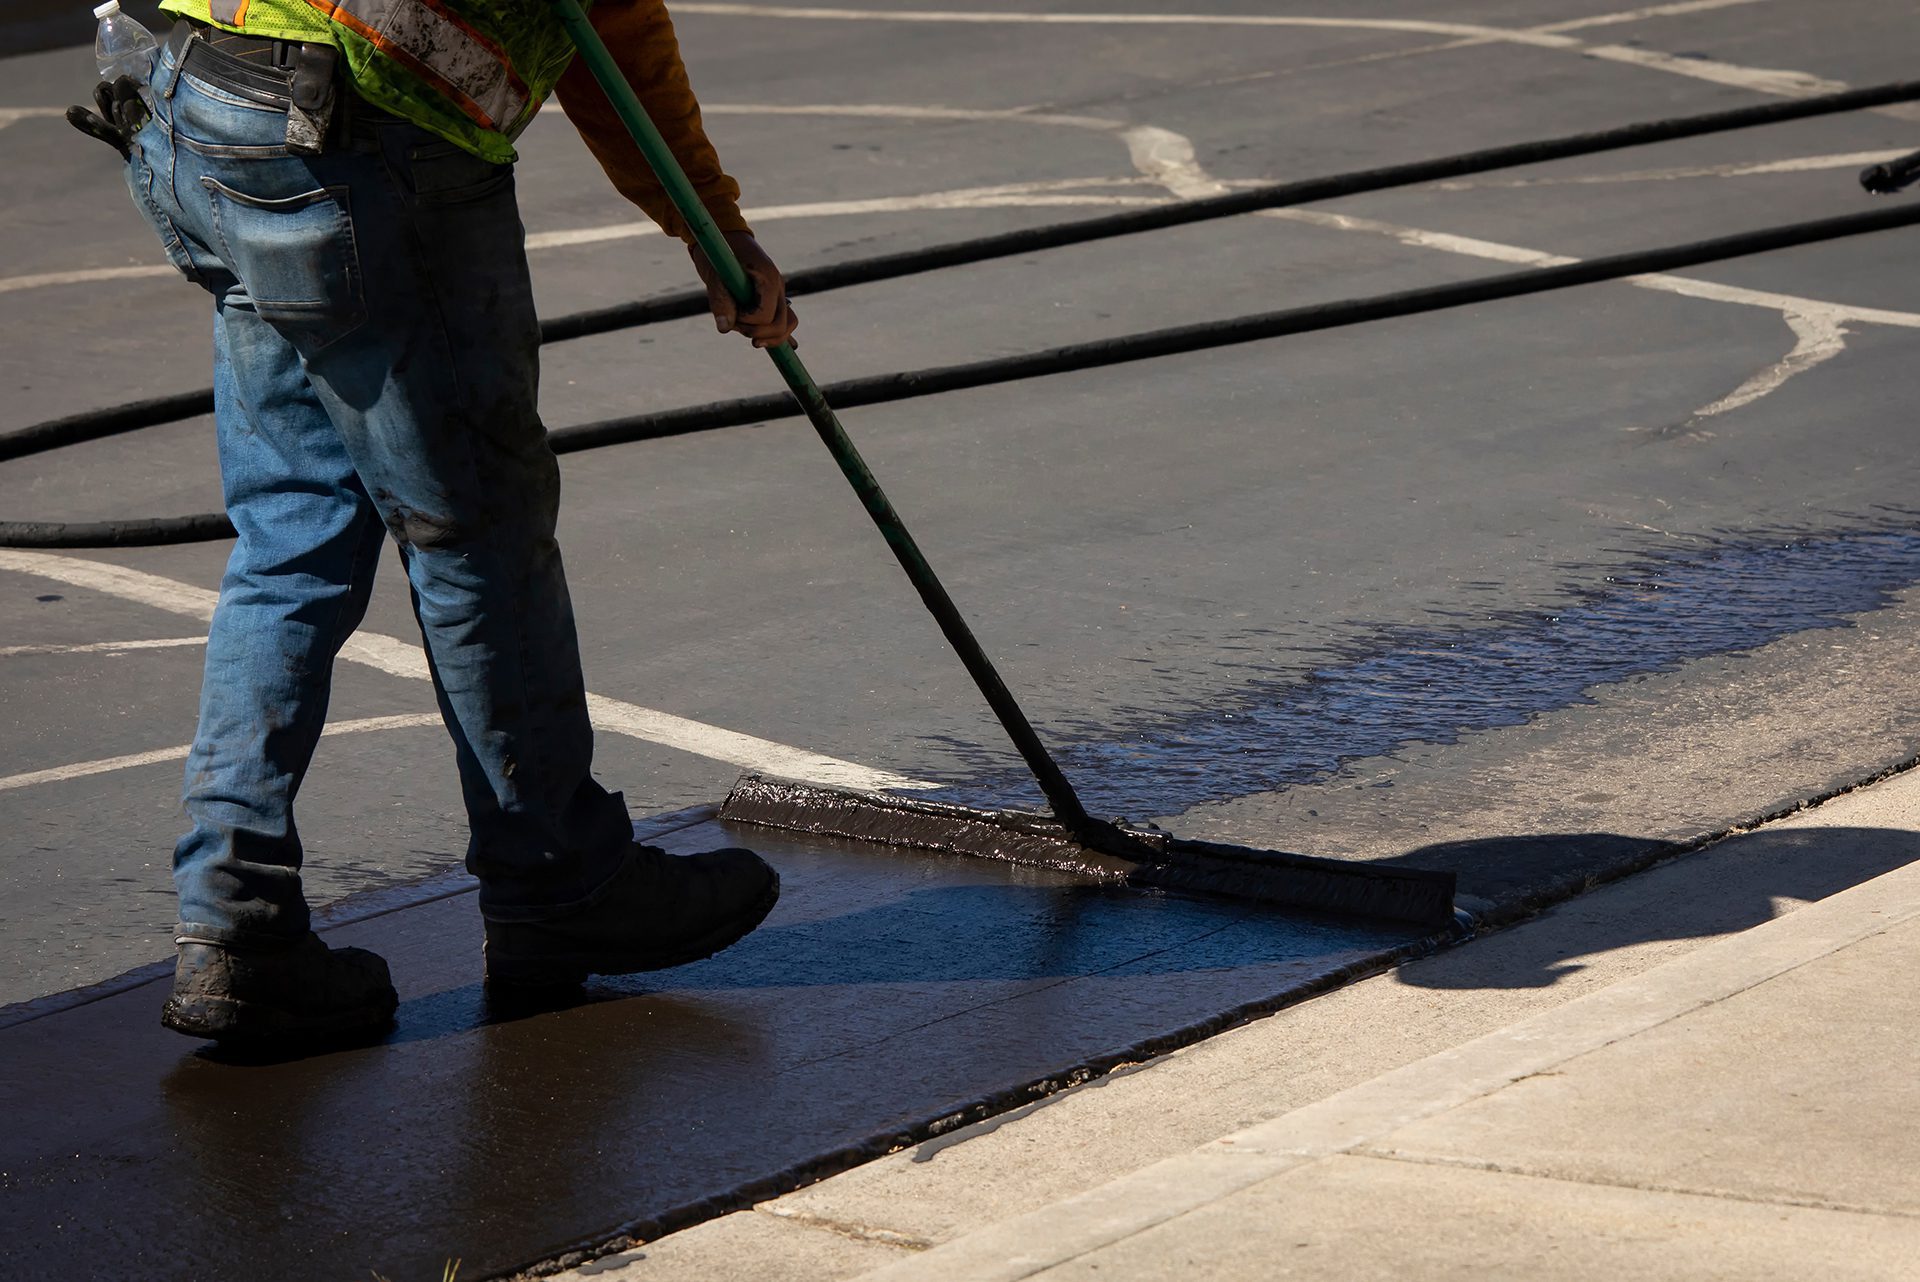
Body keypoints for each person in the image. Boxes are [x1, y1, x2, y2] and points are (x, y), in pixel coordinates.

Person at [67, 0, 796, 1045]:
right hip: (370, 142)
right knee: (477, 535)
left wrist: (707, 221)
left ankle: (236, 925)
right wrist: (714, 225)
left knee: (291, 536)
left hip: (208, 98)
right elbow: (618, 31)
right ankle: (557, 877)